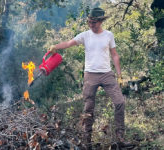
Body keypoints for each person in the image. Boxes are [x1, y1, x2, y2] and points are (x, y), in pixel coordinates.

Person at [48, 7, 132, 150]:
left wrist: (119, 75)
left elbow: (115, 54)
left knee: (120, 102)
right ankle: (87, 142)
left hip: (107, 74)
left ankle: (120, 138)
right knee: (88, 109)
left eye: (94, 22)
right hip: (90, 75)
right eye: (89, 22)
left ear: (100, 22)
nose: (91, 25)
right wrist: (55, 46)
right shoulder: (85, 35)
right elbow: (68, 43)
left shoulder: (108, 35)